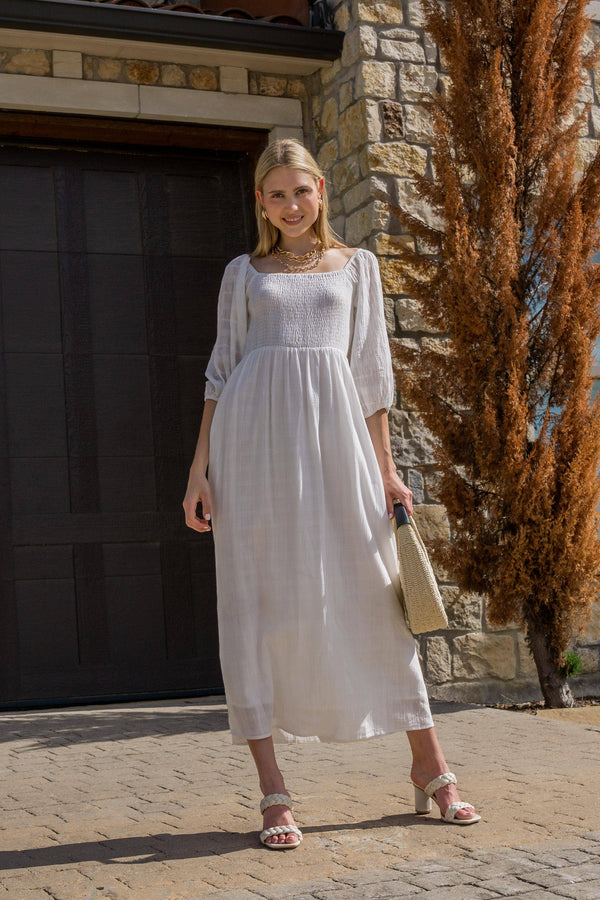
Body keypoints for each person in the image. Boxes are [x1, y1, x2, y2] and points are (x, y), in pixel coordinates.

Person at [183, 139, 480, 849]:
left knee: (373, 591)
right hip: (251, 449)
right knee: (256, 602)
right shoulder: (242, 273)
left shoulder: (357, 267)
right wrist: (199, 470)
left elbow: (372, 376)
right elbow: (221, 371)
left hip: (339, 441)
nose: (291, 205)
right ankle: (273, 791)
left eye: (301, 191)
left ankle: (429, 763)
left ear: (320, 191)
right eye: (276, 194)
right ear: (262, 203)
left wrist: (386, 469)